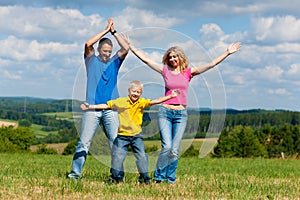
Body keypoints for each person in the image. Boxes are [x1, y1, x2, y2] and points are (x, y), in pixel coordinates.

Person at [129, 41, 241, 183]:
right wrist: (132, 47)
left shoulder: (188, 72)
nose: (172, 59)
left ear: (180, 58)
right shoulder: (165, 71)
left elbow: (211, 64)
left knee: (174, 150)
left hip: (181, 114)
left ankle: (170, 179)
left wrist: (227, 53)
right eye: (170, 57)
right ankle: (159, 177)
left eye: (175, 57)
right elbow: (146, 59)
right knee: (167, 147)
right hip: (165, 112)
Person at [80, 80, 180, 184]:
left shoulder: (141, 102)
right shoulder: (121, 102)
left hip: (137, 136)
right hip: (122, 136)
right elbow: (106, 106)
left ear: (141, 93)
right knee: (117, 158)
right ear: (129, 91)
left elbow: (156, 101)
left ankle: (144, 178)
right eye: (133, 91)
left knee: (142, 157)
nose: (135, 94)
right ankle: (115, 178)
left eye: (138, 92)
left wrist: (170, 96)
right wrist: (90, 107)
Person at [67, 18, 129, 180]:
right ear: (99, 50)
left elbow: (126, 48)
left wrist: (114, 32)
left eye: (109, 51)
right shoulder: (91, 61)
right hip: (92, 109)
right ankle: (75, 174)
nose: (107, 54)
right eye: (104, 50)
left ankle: (117, 176)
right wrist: (105, 30)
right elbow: (88, 44)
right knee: (84, 143)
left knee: (115, 144)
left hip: (111, 109)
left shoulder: (115, 62)